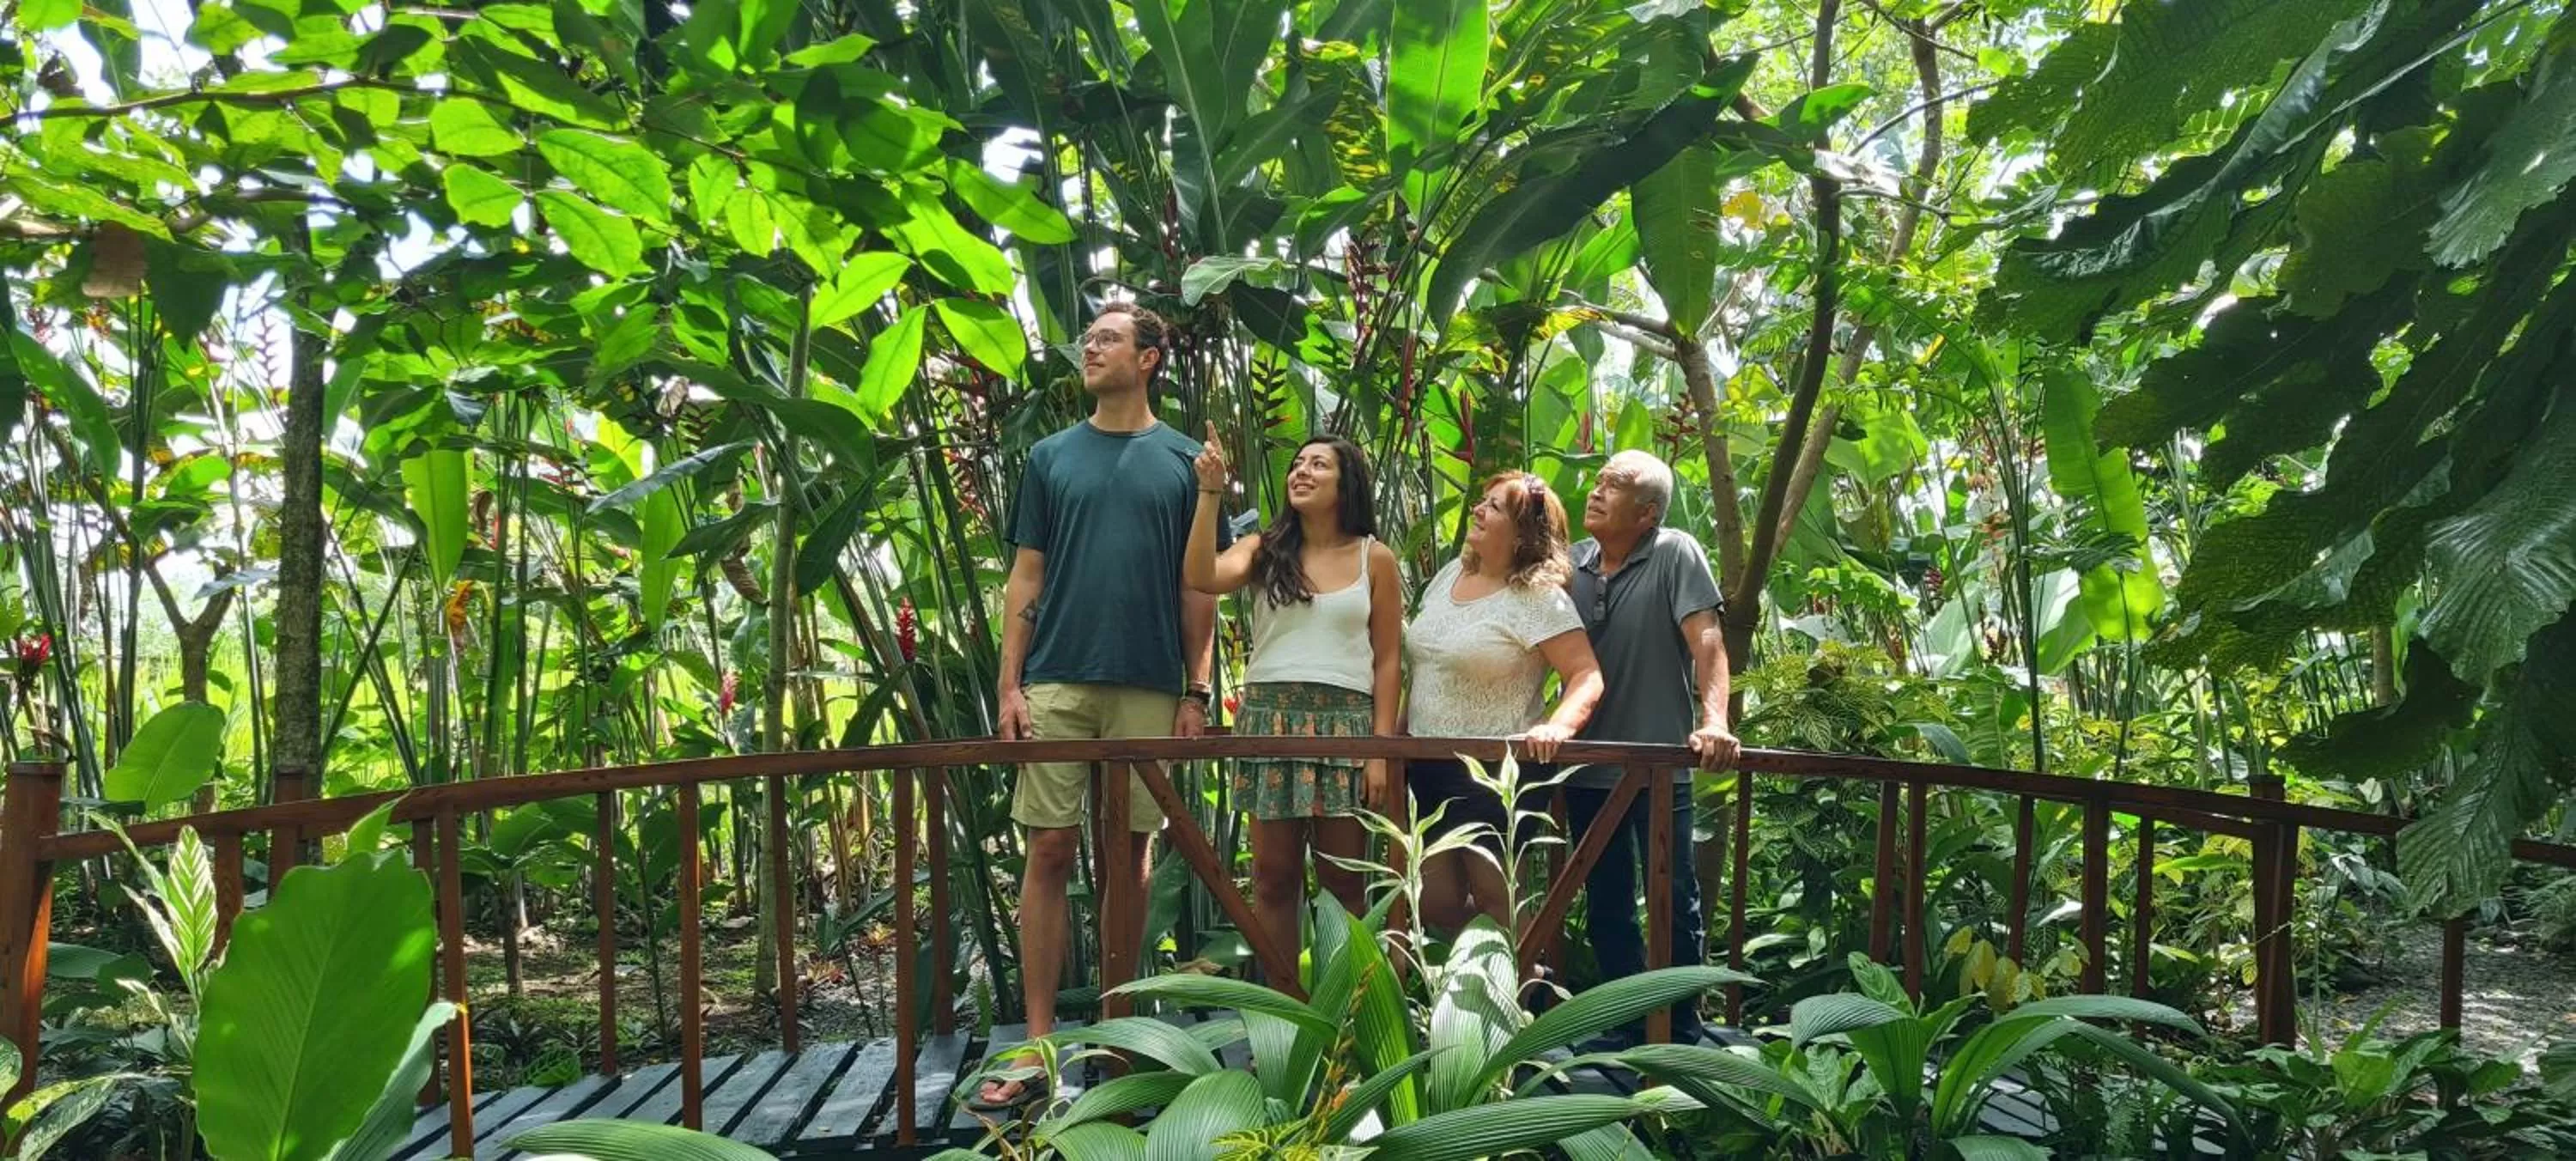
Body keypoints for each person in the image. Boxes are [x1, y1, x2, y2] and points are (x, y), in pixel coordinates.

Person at [971, 302, 1223, 1110]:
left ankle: (1117, 1037)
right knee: (1048, 848)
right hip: (1057, 678)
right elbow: (1027, 575)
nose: (1090, 347)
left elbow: (1199, 589)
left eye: (1108, 339)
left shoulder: (1186, 462)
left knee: (1130, 854)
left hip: (1150, 682)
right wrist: (1009, 685)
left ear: (1149, 358)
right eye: (1089, 338)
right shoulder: (1050, 457)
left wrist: (1196, 690)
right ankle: (1038, 1046)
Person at [1183, 429, 1402, 962]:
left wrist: (1379, 750)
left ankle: (1346, 1005)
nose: (1302, 471)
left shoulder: (1375, 558)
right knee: (1272, 878)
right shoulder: (1264, 549)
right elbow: (1201, 575)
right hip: (1269, 720)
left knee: (1343, 883)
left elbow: (1388, 659)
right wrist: (1210, 494)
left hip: (1345, 726)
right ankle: (1284, 1007)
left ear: (1347, 483)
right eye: (1298, 463)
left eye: (1319, 464)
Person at [1566, 449, 1741, 1048]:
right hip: (1588, 768)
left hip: (1659, 768)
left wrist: (1714, 720)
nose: (1596, 491)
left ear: (1647, 513)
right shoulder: (1572, 563)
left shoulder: (1673, 552)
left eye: (1613, 485)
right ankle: (1628, 1024)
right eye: (1597, 481)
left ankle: (1680, 1028)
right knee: (1606, 901)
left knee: (1673, 898)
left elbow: (1707, 639)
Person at [1404, 472, 1605, 933]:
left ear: (1522, 534)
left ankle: (1520, 974)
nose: (1477, 510)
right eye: (1483, 501)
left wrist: (1557, 727)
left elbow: (1585, 674)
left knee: (1496, 895)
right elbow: (1426, 669)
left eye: (1493, 507)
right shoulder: (1450, 575)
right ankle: (1513, 966)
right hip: (1428, 762)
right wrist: (1396, 740)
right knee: (1434, 902)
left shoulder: (1538, 598)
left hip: (1496, 769)